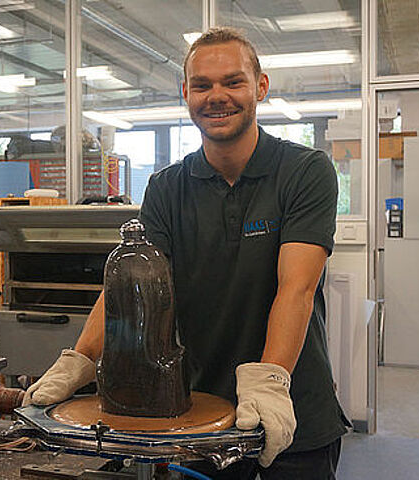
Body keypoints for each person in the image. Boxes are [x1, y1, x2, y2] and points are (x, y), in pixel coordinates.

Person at [23, 27, 349, 479]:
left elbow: (298, 287)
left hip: (292, 405)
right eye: (202, 85)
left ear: (260, 86)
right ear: (186, 94)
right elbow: (126, 289)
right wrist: (79, 360)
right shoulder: (166, 188)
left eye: (232, 82)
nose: (217, 96)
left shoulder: (304, 171)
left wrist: (270, 381)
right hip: (199, 412)